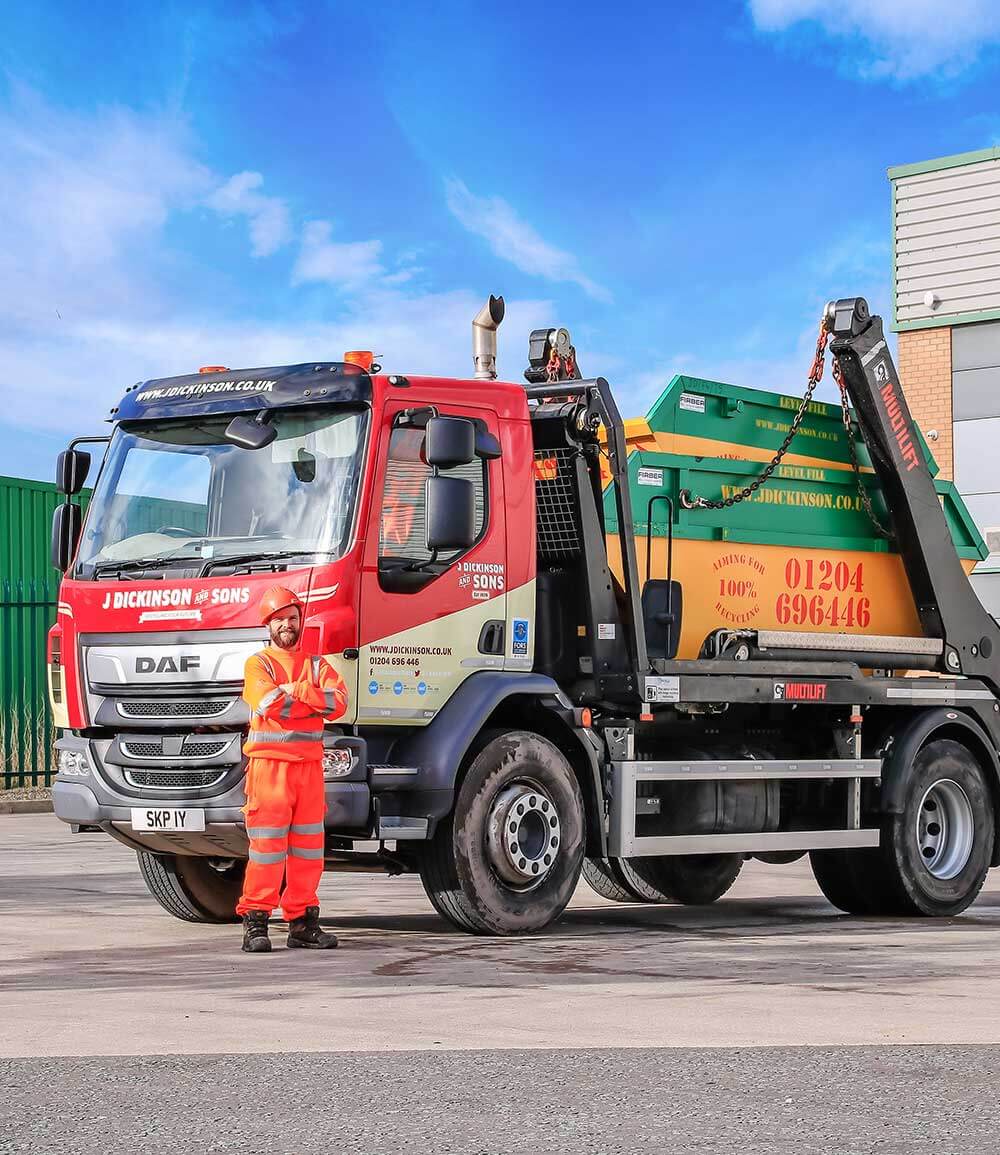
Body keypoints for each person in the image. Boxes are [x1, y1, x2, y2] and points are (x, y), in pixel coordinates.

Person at [236, 585, 348, 953]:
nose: (287, 625)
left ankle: (302, 923)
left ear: (301, 621)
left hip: (310, 771)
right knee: (266, 850)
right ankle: (255, 922)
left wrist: (298, 692)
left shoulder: (316, 664)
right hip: (270, 770)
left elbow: (340, 703)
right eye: (279, 619)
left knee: (309, 850)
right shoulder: (258, 664)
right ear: (268, 625)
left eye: (292, 618)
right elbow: (270, 704)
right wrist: (309, 699)